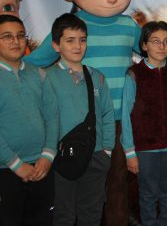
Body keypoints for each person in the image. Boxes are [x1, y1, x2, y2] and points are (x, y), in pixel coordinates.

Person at [26, 0, 144, 225]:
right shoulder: (72, 28)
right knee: (73, 190)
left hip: (118, 123)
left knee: (116, 188)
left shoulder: (129, 26)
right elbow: (32, 63)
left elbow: (157, 51)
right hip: (74, 123)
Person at [44, 14, 114, 226]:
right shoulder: (45, 77)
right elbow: (44, 119)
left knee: (91, 213)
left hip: (96, 155)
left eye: (82, 40)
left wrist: (107, 150)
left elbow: (107, 114)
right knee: (63, 214)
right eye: (70, 40)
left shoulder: (97, 77)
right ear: (56, 45)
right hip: (62, 157)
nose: (77, 46)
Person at [121, 21, 167, 226]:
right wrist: (130, 152)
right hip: (145, 148)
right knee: (148, 194)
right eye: (155, 41)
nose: (162, 46)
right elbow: (126, 114)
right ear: (144, 45)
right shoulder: (134, 74)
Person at [0, 14, 58, 226]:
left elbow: (52, 116)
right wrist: (16, 164)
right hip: (6, 170)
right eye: (7, 36)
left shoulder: (39, 74)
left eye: (20, 35)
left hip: (42, 167)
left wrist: (48, 156)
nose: (15, 41)